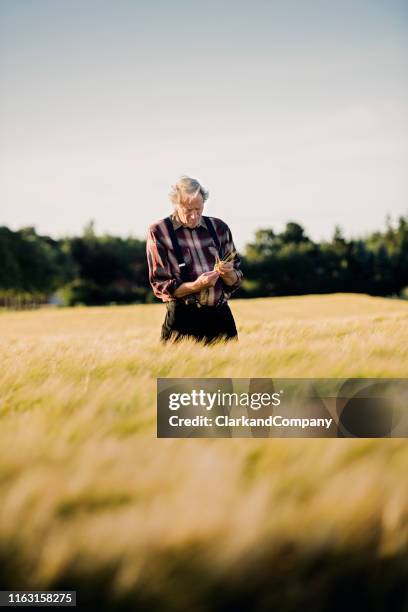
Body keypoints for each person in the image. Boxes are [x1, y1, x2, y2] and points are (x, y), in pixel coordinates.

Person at [146, 176, 243, 343]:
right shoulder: (159, 231)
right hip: (183, 319)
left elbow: (236, 280)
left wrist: (228, 274)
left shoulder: (219, 228)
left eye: (198, 209)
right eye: (188, 210)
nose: (194, 216)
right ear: (176, 205)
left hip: (220, 317)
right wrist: (197, 285)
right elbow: (160, 286)